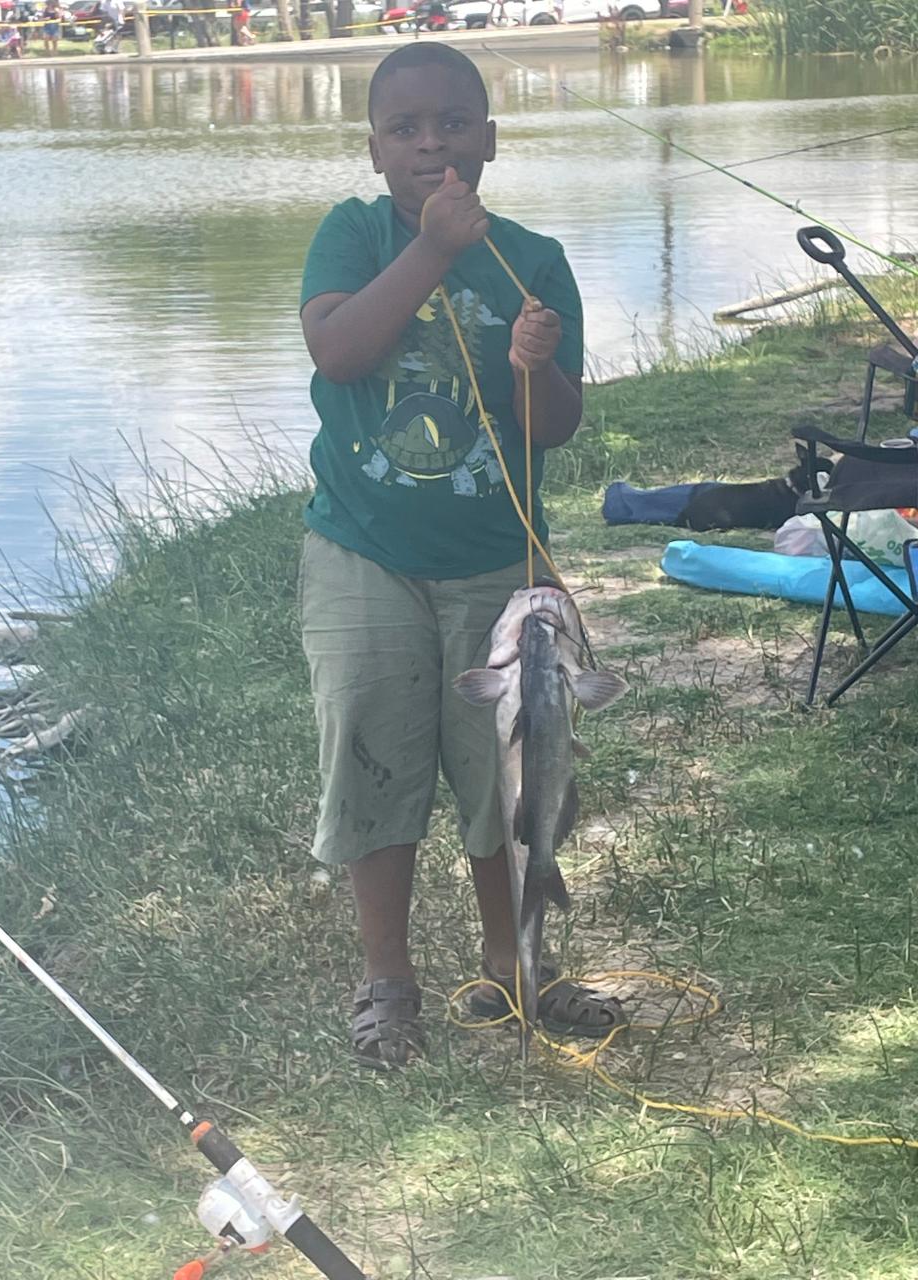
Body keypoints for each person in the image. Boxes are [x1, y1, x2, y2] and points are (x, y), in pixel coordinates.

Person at [298, 43, 624, 1069]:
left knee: (503, 767)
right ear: (374, 147)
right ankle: (388, 984)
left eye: (452, 123)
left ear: (491, 136)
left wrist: (535, 366)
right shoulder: (351, 236)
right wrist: (432, 250)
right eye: (406, 128)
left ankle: (515, 962)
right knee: (374, 750)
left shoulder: (534, 258)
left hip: (495, 555)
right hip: (364, 550)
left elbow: (553, 423)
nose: (430, 143)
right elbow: (338, 349)